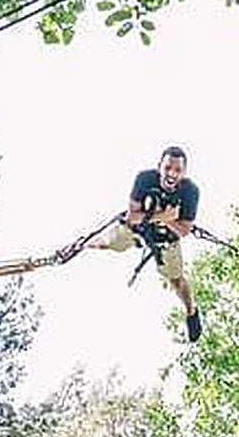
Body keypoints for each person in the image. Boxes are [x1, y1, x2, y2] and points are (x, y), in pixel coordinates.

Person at [81, 145, 203, 342]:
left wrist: (165, 221)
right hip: (138, 230)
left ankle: (191, 311)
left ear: (184, 172)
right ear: (159, 167)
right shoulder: (145, 179)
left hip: (166, 238)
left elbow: (184, 230)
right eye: (167, 168)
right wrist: (165, 216)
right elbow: (131, 217)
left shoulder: (190, 191)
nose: (171, 174)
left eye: (177, 170)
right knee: (109, 242)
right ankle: (80, 246)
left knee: (176, 280)